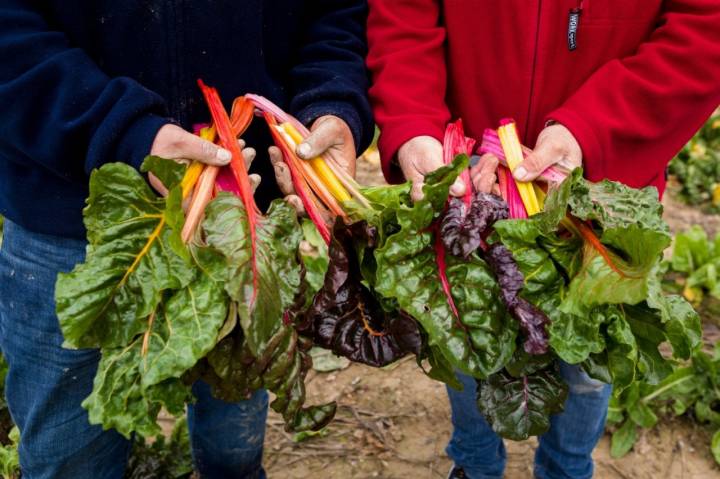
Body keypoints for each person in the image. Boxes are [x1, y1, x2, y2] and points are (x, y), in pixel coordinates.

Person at [0, 1, 372, 478]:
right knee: (69, 460)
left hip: (245, 217)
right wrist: (126, 133)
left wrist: (331, 102)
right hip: (73, 216)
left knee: (232, 453)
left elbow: (333, 20)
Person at [365, 1, 720, 478]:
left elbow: (707, 28)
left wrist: (594, 126)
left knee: (587, 362)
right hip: (471, 180)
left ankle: (567, 468)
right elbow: (403, 15)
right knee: (470, 338)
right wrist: (413, 124)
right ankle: (474, 465)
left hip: (604, 182)